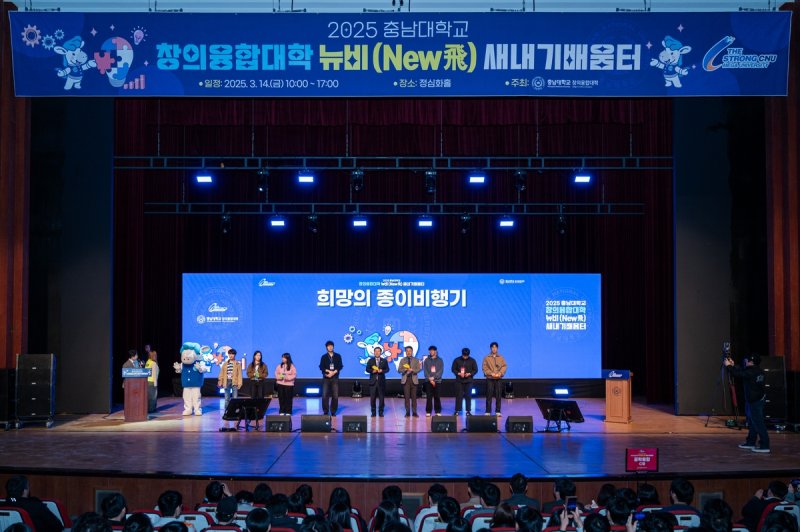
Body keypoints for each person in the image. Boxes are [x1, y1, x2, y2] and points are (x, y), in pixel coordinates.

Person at [724, 353, 770, 453]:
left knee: (758, 423)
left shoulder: (751, 372)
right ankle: (750, 442)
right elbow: (742, 372)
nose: (745, 362)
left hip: (755, 401)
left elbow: (738, 374)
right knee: (753, 422)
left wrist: (728, 366)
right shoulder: (758, 371)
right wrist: (733, 365)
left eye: (747, 360)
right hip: (757, 400)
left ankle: (765, 445)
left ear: (751, 362)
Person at [482, 342, 507, 416]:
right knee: (489, 394)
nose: (494, 349)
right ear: (490, 348)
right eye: (492, 347)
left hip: (498, 378)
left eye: (495, 347)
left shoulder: (501, 357)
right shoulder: (486, 357)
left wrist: (500, 373)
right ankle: (488, 411)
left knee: (498, 395)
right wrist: (491, 373)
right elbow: (484, 367)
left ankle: (498, 411)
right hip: (490, 378)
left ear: (497, 348)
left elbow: (504, 366)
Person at [319, 340, 343, 416]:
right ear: (326, 347)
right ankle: (325, 411)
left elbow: (340, 366)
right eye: (328, 346)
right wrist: (328, 371)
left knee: (335, 395)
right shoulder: (324, 357)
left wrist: (333, 372)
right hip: (326, 378)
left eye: (331, 346)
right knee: (324, 395)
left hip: (335, 377)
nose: (330, 347)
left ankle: (333, 411)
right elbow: (321, 367)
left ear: (333, 347)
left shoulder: (338, 356)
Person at [451, 348, 478, 415]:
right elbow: (453, 369)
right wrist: (459, 373)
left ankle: (468, 411)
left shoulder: (472, 360)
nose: (465, 357)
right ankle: (457, 410)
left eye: (466, 356)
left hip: (469, 381)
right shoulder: (457, 360)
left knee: (468, 396)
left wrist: (470, 374)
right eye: (464, 356)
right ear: (462, 354)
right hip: (459, 381)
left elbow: (475, 370)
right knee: (458, 396)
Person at [397, 345, 422, 417]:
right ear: (405, 352)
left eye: (410, 351)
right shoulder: (403, 360)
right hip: (406, 380)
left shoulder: (416, 360)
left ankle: (414, 412)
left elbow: (419, 369)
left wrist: (412, 370)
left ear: (412, 352)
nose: (408, 352)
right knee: (407, 397)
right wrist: (404, 370)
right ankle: (407, 412)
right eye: (407, 351)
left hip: (413, 379)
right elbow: (399, 370)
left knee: (414, 397)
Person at [367, 347, 390, 417]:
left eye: (378, 351)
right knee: (372, 398)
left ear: (380, 352)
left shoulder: (384, 361)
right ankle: (373, 412)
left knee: (381, 398)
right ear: (374, 352)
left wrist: (382, 371)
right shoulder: (370, 360)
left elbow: (387, 369)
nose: (377, 353)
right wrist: (372, 371)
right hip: (373, 382)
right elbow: (367, 369)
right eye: (376, 351)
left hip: (381, 382)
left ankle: (381, 412)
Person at [423, 346, 444, 417]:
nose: (431, 352)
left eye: (432, 350)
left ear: (436, 351)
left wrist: (434, 378)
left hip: (437, 381)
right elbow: (425, 371)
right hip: (428, 381)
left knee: (437, 396)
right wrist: (430, 378)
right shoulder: (426, 360)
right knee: (429, 397)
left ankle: (437, 411)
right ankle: (428, 411)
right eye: (430, 350)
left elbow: (440, 371)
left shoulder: (440, 360)